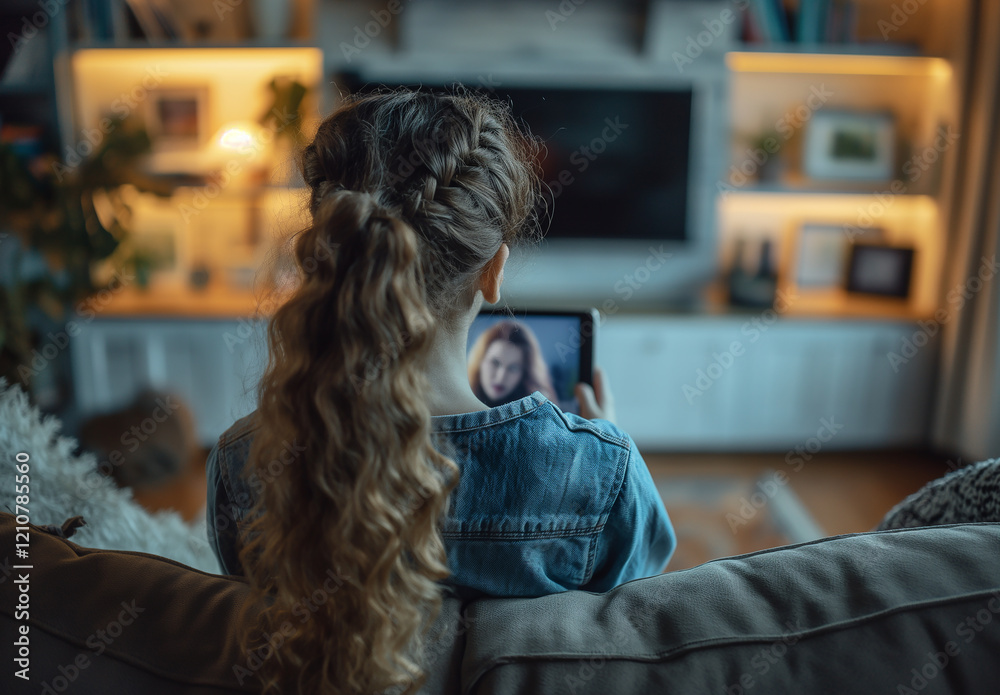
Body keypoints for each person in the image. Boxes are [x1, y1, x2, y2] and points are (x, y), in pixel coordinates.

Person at [204, 88, 674, 695]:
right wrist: (599, 440)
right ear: (493, 269)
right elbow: (636, 620)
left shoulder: (246, 462)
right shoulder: (600, 471)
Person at [467, 319, 558, 406]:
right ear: (480, 361)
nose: (501, 377)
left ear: (524, 373)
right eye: (495, 363)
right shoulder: (459, 402)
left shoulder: (537, 410)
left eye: (513, 368)